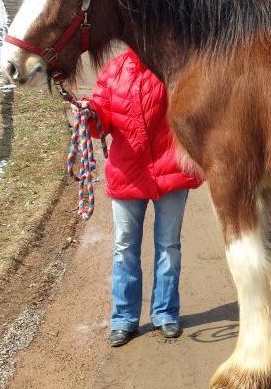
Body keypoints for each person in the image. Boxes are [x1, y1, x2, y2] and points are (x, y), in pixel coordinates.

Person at [86, 48, 202, 347]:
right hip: (127, 173)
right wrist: (89, 115)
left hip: (171, 170)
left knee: (169, 246)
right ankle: (123, 318)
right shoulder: (113, 71)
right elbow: (102, 123)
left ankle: (165, 313)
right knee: (125, 247)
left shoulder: (174, 63)